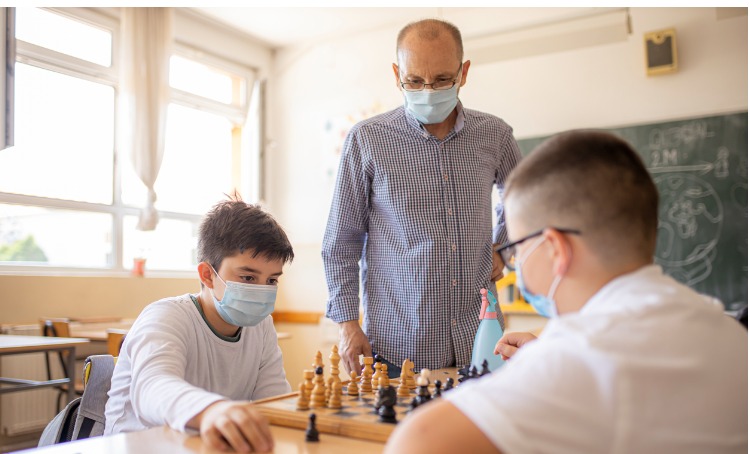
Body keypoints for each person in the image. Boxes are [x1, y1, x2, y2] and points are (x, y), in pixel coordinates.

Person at [385, 130, 748, 453]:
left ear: (555, 249)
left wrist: (549, 364)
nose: (514, 261)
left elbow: (417, 441)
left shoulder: (583, 360)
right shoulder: (730, 334)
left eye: (517, 247)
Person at [322, 18, 522, 378]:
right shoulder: (367, 140)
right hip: (397, 348)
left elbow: (526, 197)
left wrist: (503, 246)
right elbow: (341, 240)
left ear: (464, 72)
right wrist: (348, 325)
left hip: (479, 341)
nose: (428, 91)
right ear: (397, 73)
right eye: (414, 81)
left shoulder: (495, 135)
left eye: (443, 79)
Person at [105, 198, 294, 453]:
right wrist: (211, 410)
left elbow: (273, 402)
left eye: (271, 280)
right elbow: (151, 388)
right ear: (207, 275)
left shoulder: (261, 326)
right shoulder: (165, 316)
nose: (261, 291)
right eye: (248, 277)